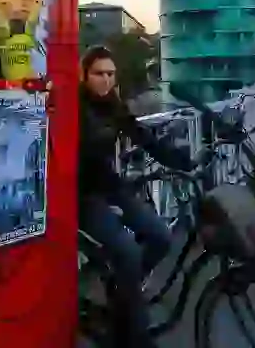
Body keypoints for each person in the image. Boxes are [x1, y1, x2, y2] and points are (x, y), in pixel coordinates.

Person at [77, 45, 192, 347]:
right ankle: (135, 334)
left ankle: (123, 293)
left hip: (111, 187)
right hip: (83, 196)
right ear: (84, 75)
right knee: (127, 251)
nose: (105, 80)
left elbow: (142, 137)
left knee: (161, 237)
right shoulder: (74, 107)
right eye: (99, 73)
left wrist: (180, 160)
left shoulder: (115, 105)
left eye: (111, 74)